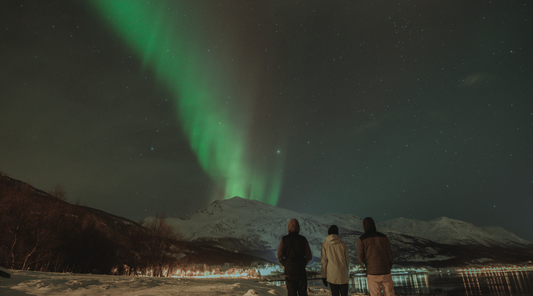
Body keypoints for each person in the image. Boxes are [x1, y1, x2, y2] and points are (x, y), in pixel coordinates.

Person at [357, 217, 395, 296]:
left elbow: (360, 258)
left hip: (372, 271)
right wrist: (389, 266)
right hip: (385, 270)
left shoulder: (362, 239)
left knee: (375, 294)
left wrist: (364, 270)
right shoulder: (383, 237)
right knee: (389, 293)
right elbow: (390, 254)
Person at [277, 218, 313, 296]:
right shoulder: (303, 239)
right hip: (301, 271)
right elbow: (309, 256)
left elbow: (279, 255)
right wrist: (303, 263)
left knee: (291, 294)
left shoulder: (284, 239)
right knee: (303, 294)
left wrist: (286, 264)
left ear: (288, 227)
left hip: (289, 273)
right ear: (298, 228)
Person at [321, 225, 350, 296]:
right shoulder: (342, 244)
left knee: (334, 294)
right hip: (343, 275)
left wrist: (324, 276)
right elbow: (347, 260)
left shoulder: (325, 244)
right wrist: (348, 273)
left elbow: (324, 261)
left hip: (332, 275)